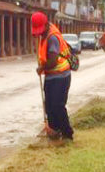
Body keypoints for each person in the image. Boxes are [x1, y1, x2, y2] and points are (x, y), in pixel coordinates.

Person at [32, 11, 74, 141]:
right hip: (51, 76)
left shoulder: (52, 38)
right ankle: (54, 131)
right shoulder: (44, 35)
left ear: (45, 25)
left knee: (57, 106)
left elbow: (53, 61)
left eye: (40, 29)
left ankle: (67, 134)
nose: (38, 33)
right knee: (49, 106)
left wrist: (42, 68)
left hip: (60, 77)